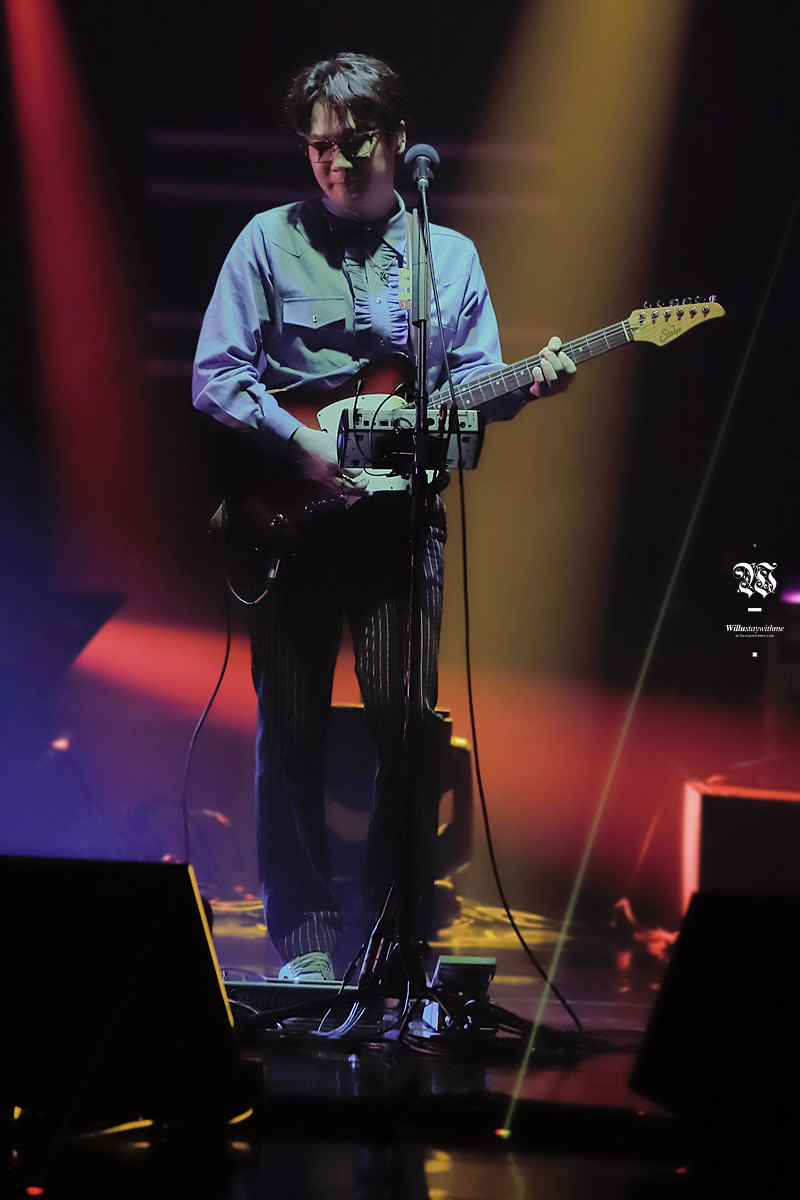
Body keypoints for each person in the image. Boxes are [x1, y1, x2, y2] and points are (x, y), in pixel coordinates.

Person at [192, 53, 576, 983]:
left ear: (398, 140)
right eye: (317, 146)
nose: (334, 162)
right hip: (292, 520)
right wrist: (300, 442)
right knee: (290, 731)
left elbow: (474, 388)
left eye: (353, 142)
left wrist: (527, 384)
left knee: (407, 724)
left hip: (399, 526)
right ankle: (307, 945)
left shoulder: (450, 257)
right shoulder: (266, 241)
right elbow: (215, 375)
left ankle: (390, 942)